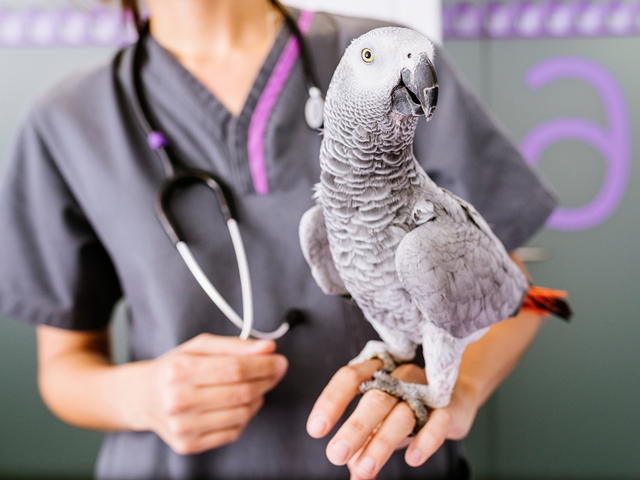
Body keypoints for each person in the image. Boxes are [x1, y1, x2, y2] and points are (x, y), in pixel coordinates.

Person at [0, 1, 557, 479]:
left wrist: (454, 393)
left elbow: (514, 296)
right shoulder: (66, 121)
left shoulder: (387, 57)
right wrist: (142, 397)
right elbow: (65, 366)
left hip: (386, 463)